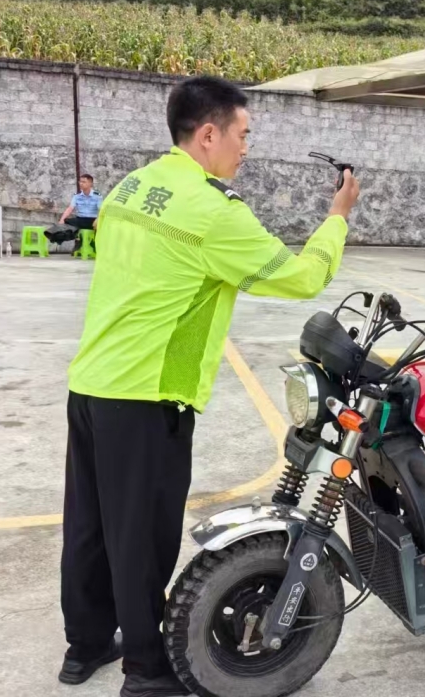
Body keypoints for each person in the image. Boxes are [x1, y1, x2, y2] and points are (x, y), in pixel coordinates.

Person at [58, 76, 359, 697]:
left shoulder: (130, 187)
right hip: (149, 396)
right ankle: (146, 672)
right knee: (140, 539)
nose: (246, 148)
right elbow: (300, 278)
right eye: (242, 134)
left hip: (91, 383)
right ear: (207, 134)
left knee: (89, 525)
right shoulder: (213, 212)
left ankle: (84, 646)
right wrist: (337, 219)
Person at [59, 174, 102, 253]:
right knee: (66, 221)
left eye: (84, 182)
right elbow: (70, 208)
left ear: (90, 183)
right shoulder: (77, 196)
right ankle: (78, 240)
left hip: (93, 220)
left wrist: (98, 219)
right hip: (80, 219)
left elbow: (101, 210)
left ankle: (94, 242)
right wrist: (62, 219)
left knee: (101, 224)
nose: (81, 183)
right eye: (80, 181)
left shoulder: (97, 196)